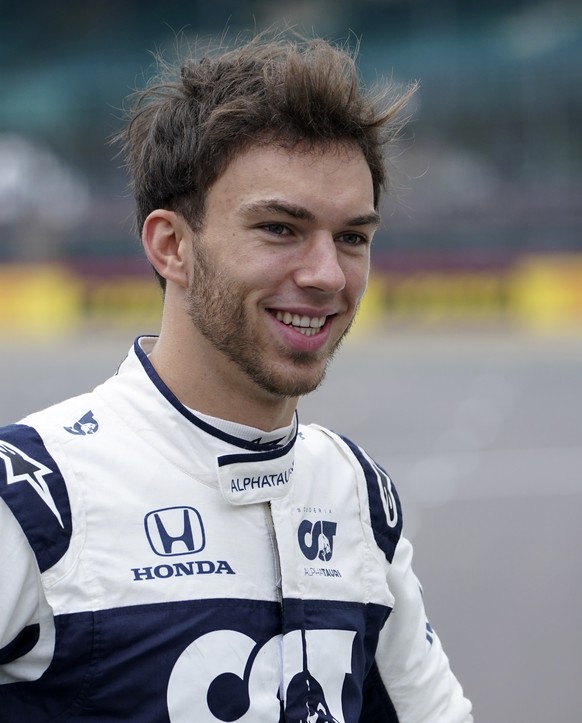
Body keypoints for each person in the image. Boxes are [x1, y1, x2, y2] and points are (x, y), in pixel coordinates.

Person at [0, 32, 473, 722]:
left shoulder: (358, 495)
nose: (326, 275)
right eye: (281, 228)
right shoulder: (35, 498)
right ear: (172, 245)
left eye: (352, 237)